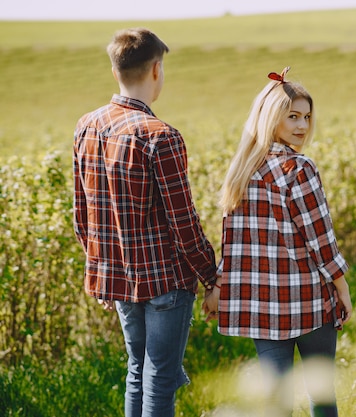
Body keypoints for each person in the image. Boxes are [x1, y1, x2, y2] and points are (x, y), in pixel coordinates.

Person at [73, 28, 218, 417]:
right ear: (156, 70)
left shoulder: (85, 126)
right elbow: (184, 223)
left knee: (137, 371)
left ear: (116, 70)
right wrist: (213, 278)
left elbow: (81, 216)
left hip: (118, 278)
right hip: (165, 281)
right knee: (160, 378)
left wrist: (100, 270)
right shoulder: (160, 136)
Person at [203, 67, 353, 417]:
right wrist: (342, 286)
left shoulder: (240, 171)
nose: (302, 126)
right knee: (323, 395)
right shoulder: (299, 168)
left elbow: (232, 246)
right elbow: (321, 239)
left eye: (307, 117)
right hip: (308, 301)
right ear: (272, 119)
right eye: (293, 117)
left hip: (261, 308)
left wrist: (217, 286)